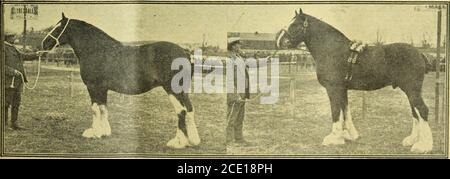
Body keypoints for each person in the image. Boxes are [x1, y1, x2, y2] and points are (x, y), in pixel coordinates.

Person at [4, 31, 40, 130]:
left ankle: (14, 123)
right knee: (6, 103)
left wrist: (37, 54)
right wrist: (13, 71)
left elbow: (24, 56)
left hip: (18, 80)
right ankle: (4, 125)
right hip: (8, 81)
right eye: (13, 36)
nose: (15, 38)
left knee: (16, 102)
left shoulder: (14, 48)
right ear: (7, 38)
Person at [226, 37, 252, 146]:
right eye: (238, 44)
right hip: (235, 93)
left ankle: (238, 138)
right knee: (231, 117)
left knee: (240, 117)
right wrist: (235, 95)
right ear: (232, 46)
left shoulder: (239, 57)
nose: (240, 46)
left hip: (243, 92)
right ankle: (229, 140)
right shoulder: (229, 59)